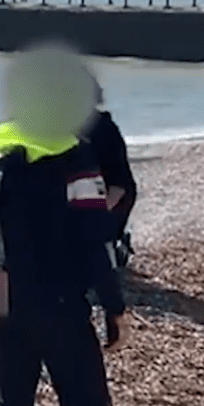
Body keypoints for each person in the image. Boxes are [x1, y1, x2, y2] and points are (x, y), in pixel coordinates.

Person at [0, 119, 130, 406]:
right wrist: (114, 308)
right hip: (62, 309)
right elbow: (95, 241)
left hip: (4, 309)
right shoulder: (73, 155)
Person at [80, 76, 137, 269]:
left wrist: (96, 217)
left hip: (114, 196)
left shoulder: (105, 130)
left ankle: (118, 245)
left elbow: (119, 184)